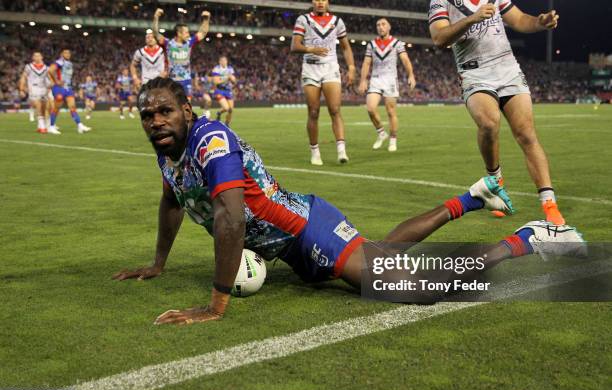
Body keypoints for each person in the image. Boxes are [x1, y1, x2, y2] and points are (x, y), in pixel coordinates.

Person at [113, 78, 584, 325]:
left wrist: (214, 305)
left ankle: (530, 237)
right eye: (147, 115)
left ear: (187, 112)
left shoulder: (209, 139)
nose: (155, 120)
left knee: (409, 287)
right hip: (290, 246)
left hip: (305, 227)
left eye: (165, 111)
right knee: (383, 253)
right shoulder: (169, 157)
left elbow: (231, 215)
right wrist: (157, 262)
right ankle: (474, 197)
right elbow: (172, 203)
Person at [428, 0, 565, 224]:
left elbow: (520, 20)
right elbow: (439, 38)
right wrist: (472, 18)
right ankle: (496, 184)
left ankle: (549, 204)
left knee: (527, 134)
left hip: (507, 69)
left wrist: (539, 23)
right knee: (489, 123)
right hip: (474, 71)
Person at [290, 0, 355, 166]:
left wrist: (352, 67)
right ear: (313, 2)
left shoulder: (337, 22)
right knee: (313, 112)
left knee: (335, 109)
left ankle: (341, 150)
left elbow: (346, 47)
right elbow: (294, 46)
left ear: (328, 2)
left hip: (330, 68)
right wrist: (311, 49)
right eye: (317, 0)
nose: (320, 2)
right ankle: (315, 152)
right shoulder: (303, 19)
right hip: (310, 68)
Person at [359, 18, 416, 152]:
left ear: (389, 27)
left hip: (390, 80)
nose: (380, 27)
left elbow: (405, 60)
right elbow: (366, 63)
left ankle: (393, 139)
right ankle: (381, 133)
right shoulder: (371, 44)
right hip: (375, 79)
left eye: (383, 24)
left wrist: (411, 75)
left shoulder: (397, 43)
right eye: (378, 25)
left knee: (391, 112)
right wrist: (363, 80)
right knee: (370, 108)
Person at [152, 8, 210, 100]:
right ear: (179, 33)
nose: (188, 34)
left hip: (186, 80)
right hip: (172, 81)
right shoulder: (168, 44)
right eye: (186, 32)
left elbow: (202, 33)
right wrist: (156, 17)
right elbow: (155, 33)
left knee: (187, 105)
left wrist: (206, 19)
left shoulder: (189, 43)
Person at [48, 48, 91, 134]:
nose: (68, 54)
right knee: (56, 108)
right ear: (62, 54)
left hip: (68, 88)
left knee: (72, 107)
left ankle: (79, 125)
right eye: (65, 53)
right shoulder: (60, 61)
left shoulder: (70, 64)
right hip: (59, 88)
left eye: (69, 53)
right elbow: (50, 70)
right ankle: (51, 126)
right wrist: (56, 81)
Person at [19, 51, 49, 133]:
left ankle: (40, 126)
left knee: (44, 107)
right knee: (38, 104)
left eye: (39, 56)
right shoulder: (29, 67)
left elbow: (49, 79)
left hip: (44, 88)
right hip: (33, 88)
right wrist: (21, 89)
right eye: (35, 56)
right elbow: (23, 77)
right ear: (33, 58)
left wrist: (49, 88)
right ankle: (42, 126)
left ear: (42, 57)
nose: (37, 57)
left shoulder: (46, 68)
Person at [212, 56, 237, 126]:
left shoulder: (230, 69)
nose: (224, 62)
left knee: (230, 110)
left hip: (228, 90)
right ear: (219, 62)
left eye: (225, 60)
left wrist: (233, 80)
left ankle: (226, 124)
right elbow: (216, 82)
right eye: (222, 61)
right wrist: (227, 78)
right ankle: (220, 113)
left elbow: (234, 81)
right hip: (219, 90)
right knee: (226, 108)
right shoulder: (216, 69)